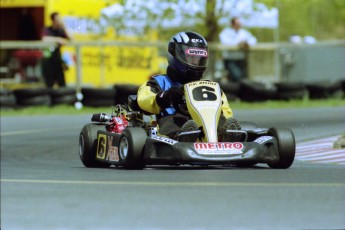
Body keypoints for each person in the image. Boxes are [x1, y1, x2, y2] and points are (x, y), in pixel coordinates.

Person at [137, 31, 241, 142]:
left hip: (204, 122)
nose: (195, 62)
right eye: (191, 58)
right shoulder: (158, 82)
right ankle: (183, 137)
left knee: (219, 119)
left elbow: (226, 112)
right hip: (173, 121)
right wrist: (167, 96)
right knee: (176, 120)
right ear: (175, 56)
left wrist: (226, 121)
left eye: (198, 59)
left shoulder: (211, 87)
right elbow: (143, 101)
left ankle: (224, 135)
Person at [219, 17, 257, 82]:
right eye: (237, 23)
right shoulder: (226, 32)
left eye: (239, 23)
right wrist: (239, 43)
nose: (239, 25)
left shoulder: (243, 32)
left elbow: (253, 40)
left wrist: (247, 43)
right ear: (232, 24)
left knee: (243, 77)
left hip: (241, 59)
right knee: (237, 77)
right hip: (230, 59)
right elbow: (225, 41)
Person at [41, 12, 71, 88]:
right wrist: (57, 39)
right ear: (53, 20)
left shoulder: (61, 30)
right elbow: (44, 39)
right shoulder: (47, 30)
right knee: (49, 85)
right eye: (58, 19)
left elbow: (72, 39)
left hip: (58, 61)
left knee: (62, 84)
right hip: (48, 61)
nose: (59, 20)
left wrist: (64, 27)